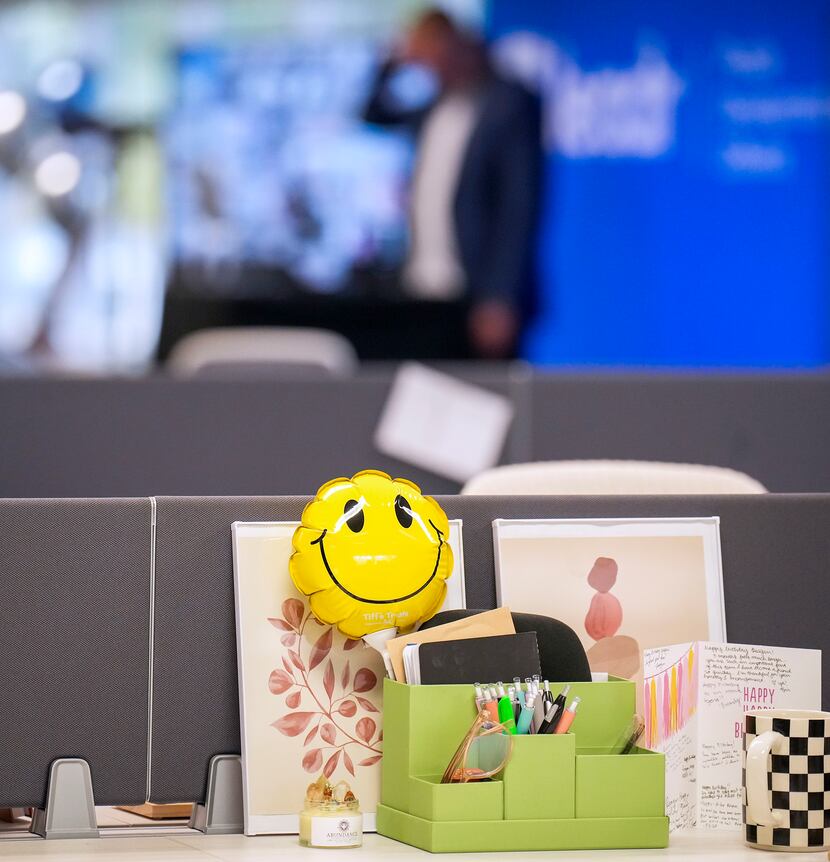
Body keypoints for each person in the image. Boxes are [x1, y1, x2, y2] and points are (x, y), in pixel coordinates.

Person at [364, 9, 543, 359]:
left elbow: (518, 207)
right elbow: (372, 114)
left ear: (456, 44)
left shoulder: (507, 104)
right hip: (421, 291)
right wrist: (391, 61)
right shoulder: (431, 107)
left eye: (434, 49)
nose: (429, 63)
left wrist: (499, 296)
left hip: (478, 298)